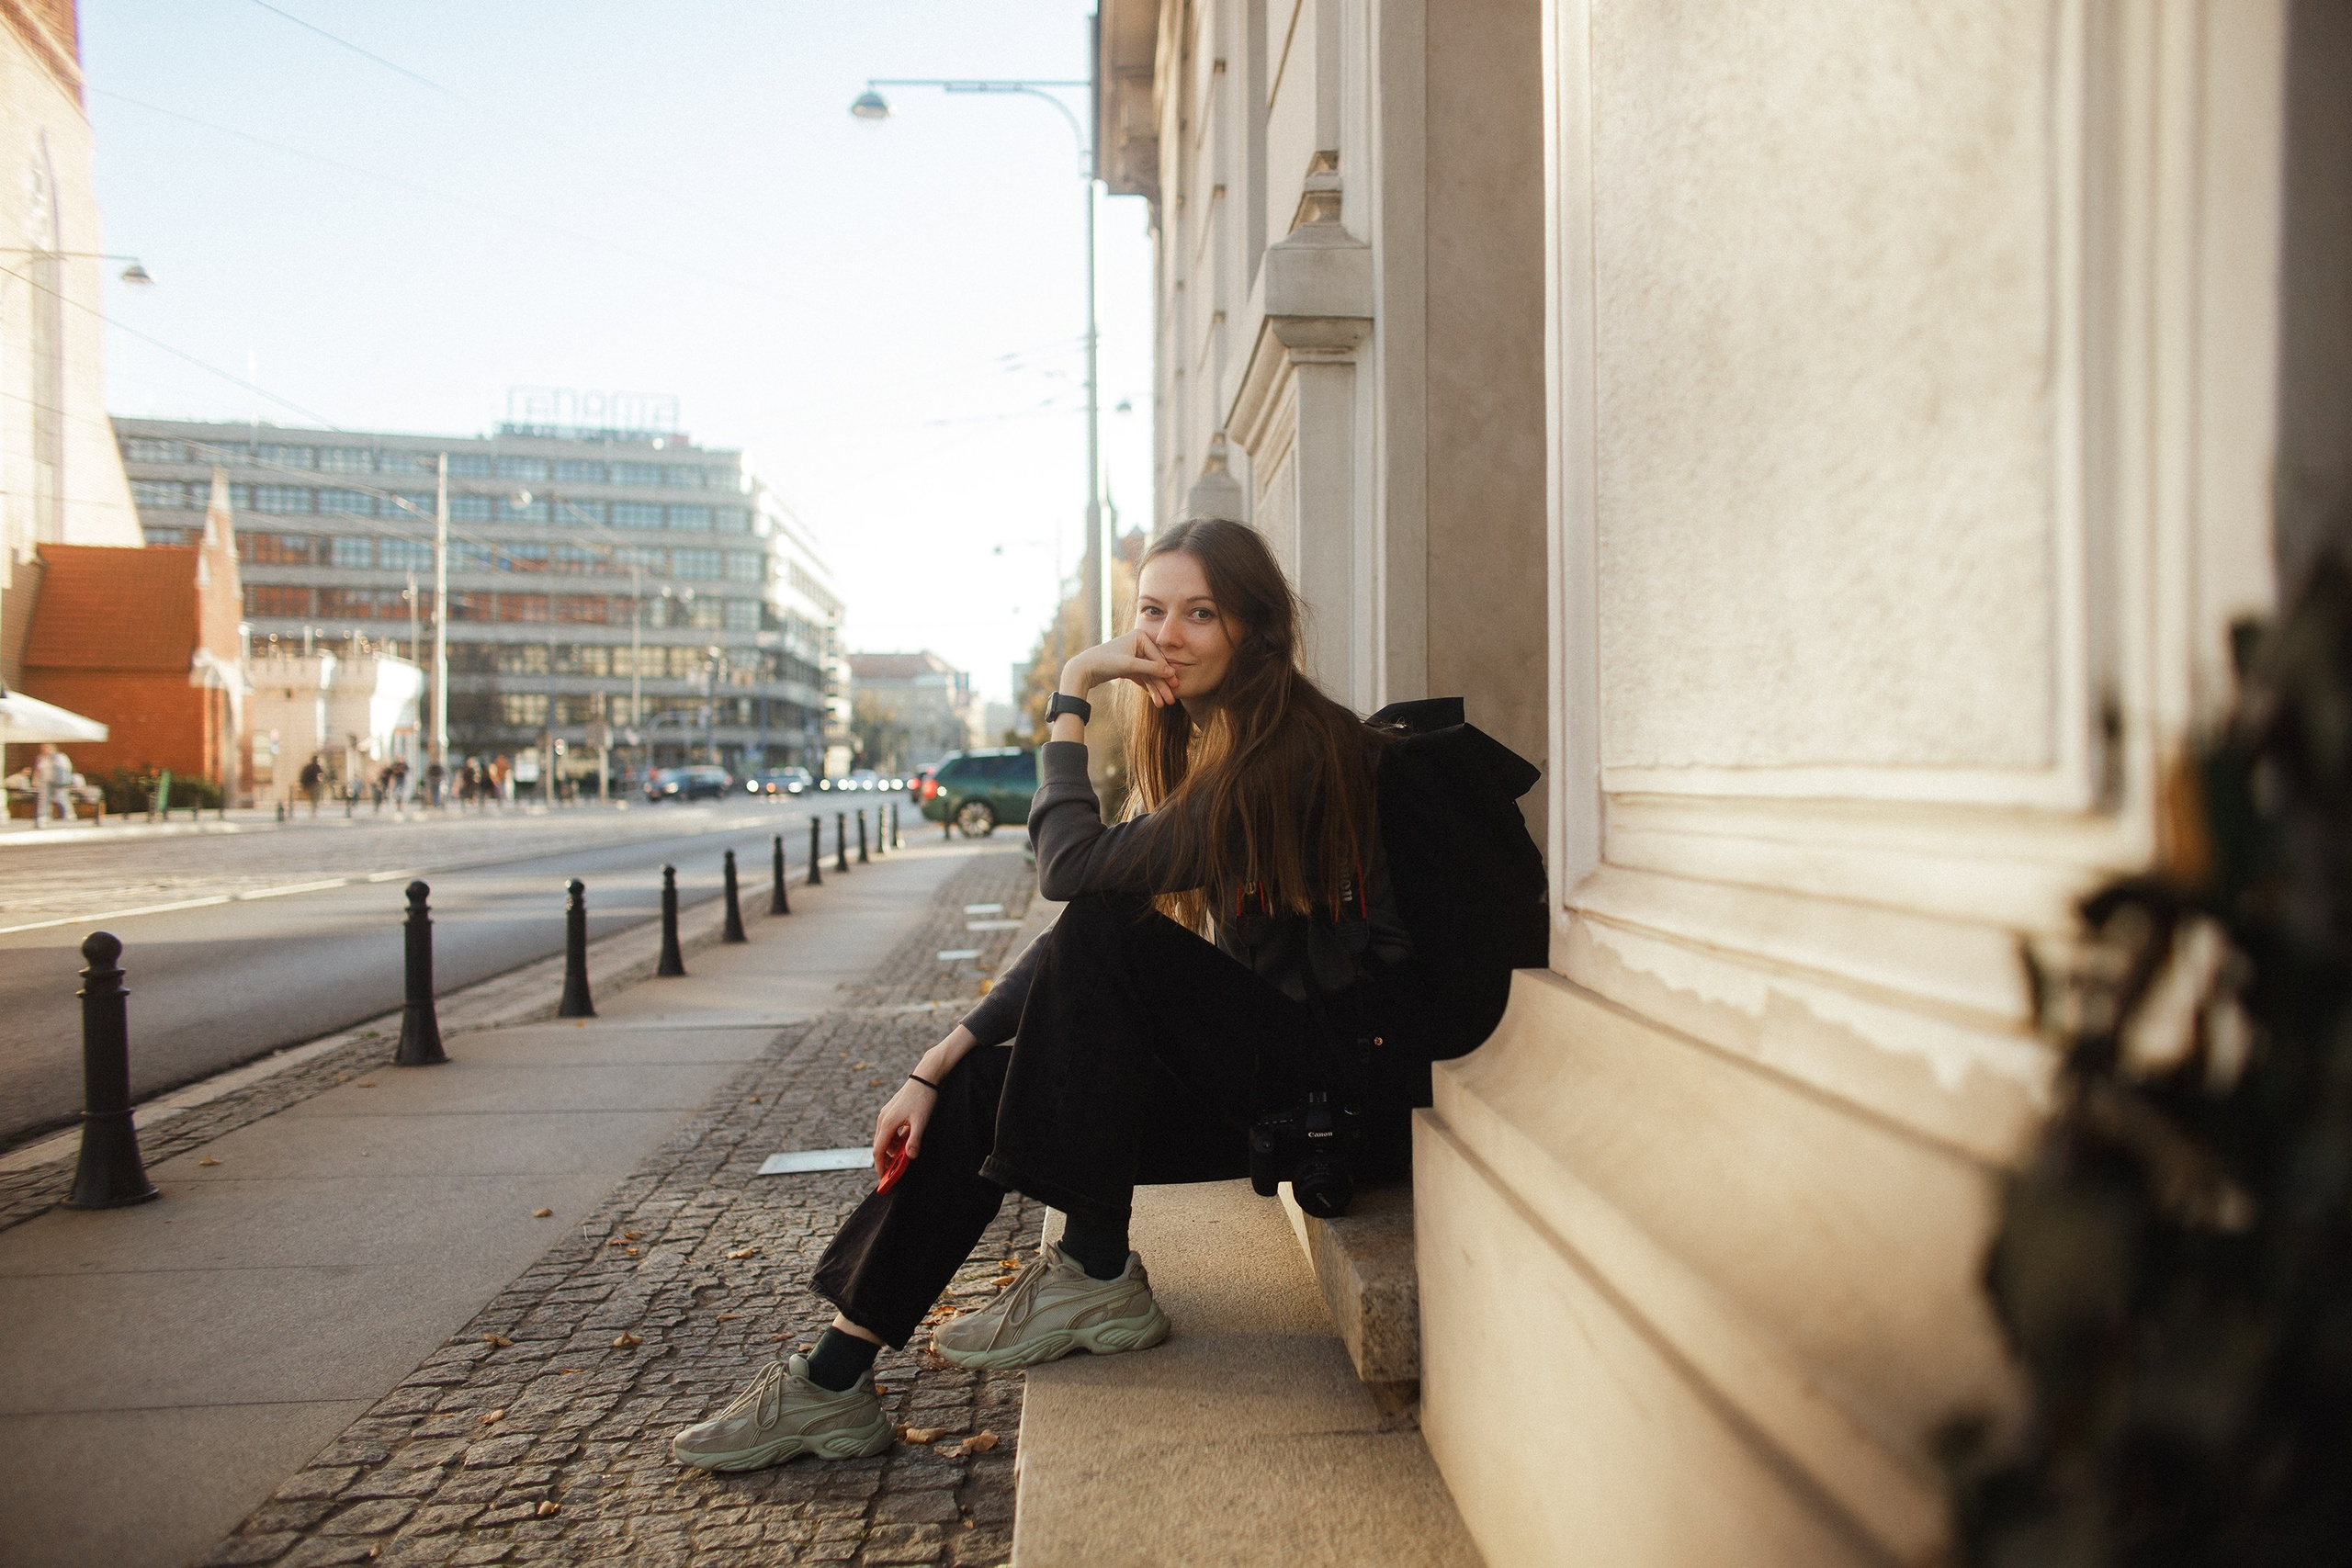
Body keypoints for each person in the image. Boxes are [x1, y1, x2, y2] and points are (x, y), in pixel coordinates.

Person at [671, 518, 1416, 1472]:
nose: (1168, 634)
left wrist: (1072, 689)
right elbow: (1084, 922)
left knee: (1107, 926)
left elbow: (1069, 872)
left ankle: (1095, 1269)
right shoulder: (1226, 742)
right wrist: (938, 1063)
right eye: (1152, 611)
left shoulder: (1290, 751)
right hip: (1275, 1081)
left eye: (1201, 613)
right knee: (984, 1091)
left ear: (1254, 629)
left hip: (1345, 1097)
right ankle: (830, 1382)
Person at [31, 745, 74, 827]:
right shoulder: (41, 758)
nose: (45, 750)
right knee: (44, 798)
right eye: (43, 749)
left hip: (59, 780)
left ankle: (69, 814)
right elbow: (38, 770)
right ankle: (44, 816)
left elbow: (67, 768)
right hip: (46, 780)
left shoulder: (61, 757)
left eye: (47, 748)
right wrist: (35, 781)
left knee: (62, 797)